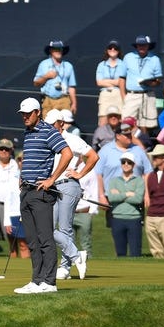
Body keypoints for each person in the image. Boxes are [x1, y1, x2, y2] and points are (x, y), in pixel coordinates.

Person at [13, 98, 72, 294]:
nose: (24, 117)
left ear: (38, 112)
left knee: (45, 238)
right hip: (27, 192)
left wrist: (52, 179)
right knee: (32, 240)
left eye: (28, 113)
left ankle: (50, 282)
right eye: (22, 114)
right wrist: (22, 176)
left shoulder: (49, 132)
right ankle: (36, 281)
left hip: (41, 193)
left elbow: (67, 153)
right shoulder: (27, 132)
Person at [46, 111, 97, 280]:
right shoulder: (48, 139)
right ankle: (77, 255)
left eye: (52, 124)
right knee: (48, 229)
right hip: (52, 187)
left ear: (61, 123)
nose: (49, 127)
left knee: (66, 227)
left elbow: (93, 156)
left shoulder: (72, 139)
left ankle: (65, 267)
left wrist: (80, 173)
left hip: (68, 185)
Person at [121, 35, 163, 132]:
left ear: (148, 46)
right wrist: (124, 96)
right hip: (132, 95)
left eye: (144, 45)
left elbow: (159, 81)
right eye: (139, 45)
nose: (141, 47)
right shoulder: (128, 57)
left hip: (148, 95)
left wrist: (150, 83)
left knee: (146, 126)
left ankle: (144, 145)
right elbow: (122, 78)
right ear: (136, 46)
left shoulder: (155, 59)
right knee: (126, 123)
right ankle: (127, 145)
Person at [107, 154, 145, 256]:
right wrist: (128, 194)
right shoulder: (114, 181)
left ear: (133, 165)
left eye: (129, 162)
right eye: (123, 162)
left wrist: (119, 194)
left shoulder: (139, 181)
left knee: (135, 253)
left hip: (134, 219)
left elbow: (138, 199)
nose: (126, 164)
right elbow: (111, 198)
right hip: (117, 218)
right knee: (120, 253)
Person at [94, 40, 127, 125]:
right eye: (110, 48)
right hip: (105, 95)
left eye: (115, 48)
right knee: (103, 121)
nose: (112, 49)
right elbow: (99, 82)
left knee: (119, 121)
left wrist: (106, 81)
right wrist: (115, 82)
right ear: (107, 50)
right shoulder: (101, 65)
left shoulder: (123, 64)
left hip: (119, 94)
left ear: (118, 50)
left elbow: (122, 82)